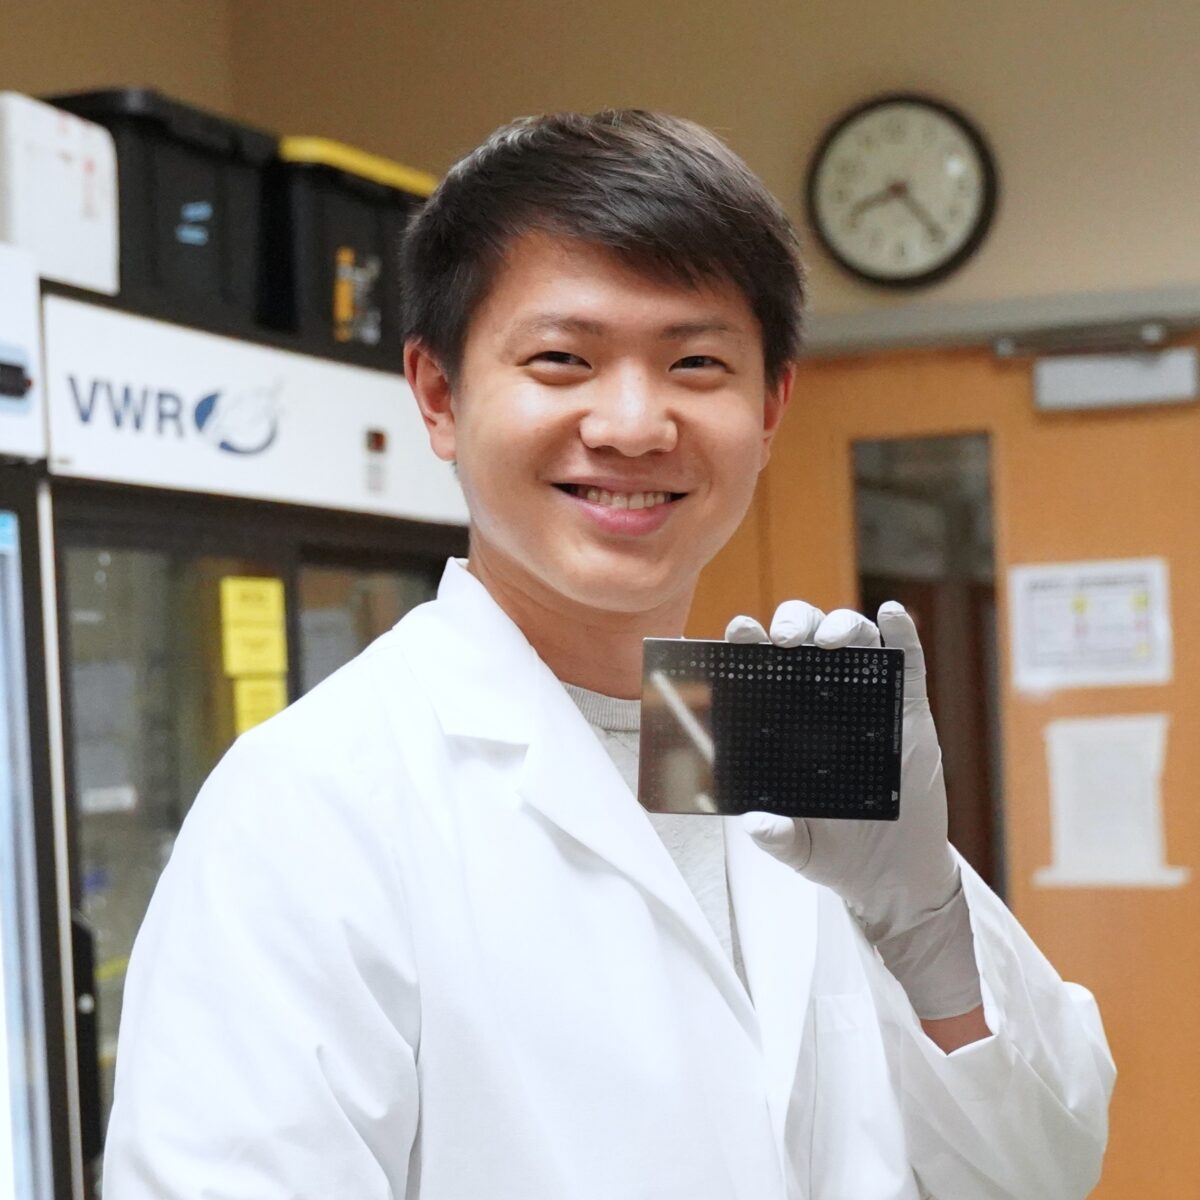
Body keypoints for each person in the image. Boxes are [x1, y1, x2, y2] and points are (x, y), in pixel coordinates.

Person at [104, 110, 1114, 1199]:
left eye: (695, 362)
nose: (634, 424)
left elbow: (1045, 1166)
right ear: (440, 394)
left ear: (770, 405)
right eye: (561, 360)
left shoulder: (785, 740)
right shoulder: (312, 806)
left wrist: (924, 929)